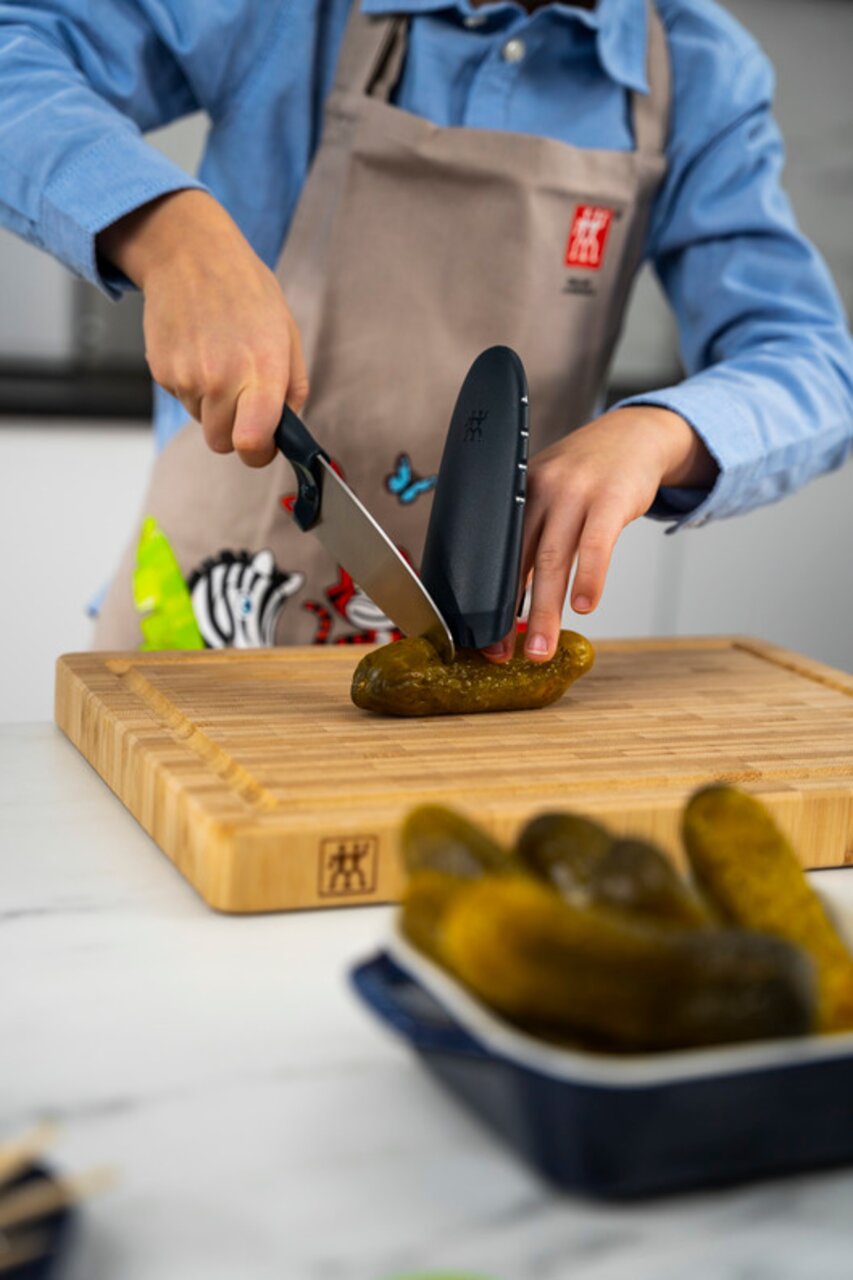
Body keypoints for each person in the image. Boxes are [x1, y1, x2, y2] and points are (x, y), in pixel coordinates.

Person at [1, 0, 851, 658]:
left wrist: (661, 433)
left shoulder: (699, 71)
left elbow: (813, 363)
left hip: (467, 684)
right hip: (190, 637)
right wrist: (168, 232)